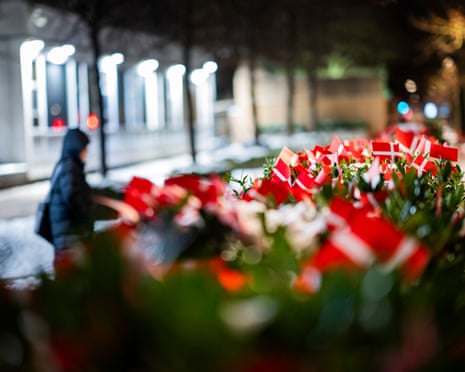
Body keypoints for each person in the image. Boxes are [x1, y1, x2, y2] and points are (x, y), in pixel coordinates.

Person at [49, 128, 95, 261]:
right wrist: (87, 214)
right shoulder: (69, 168)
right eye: (84, 147)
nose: (86, 151)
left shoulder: (64, 166)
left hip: (66, 237)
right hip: (70, 238)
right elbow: (72, 196)